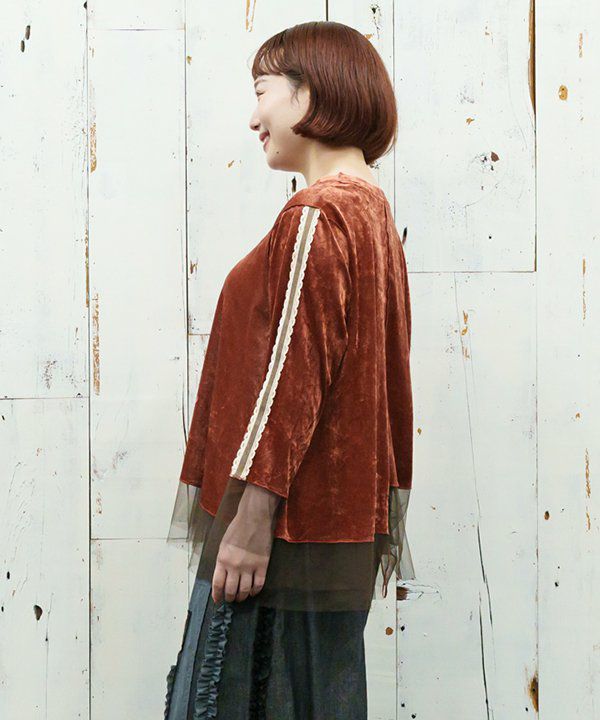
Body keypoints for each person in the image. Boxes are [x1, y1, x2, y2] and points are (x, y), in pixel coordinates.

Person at [164, 19, 415, 720]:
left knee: (230, 699)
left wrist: (249, 522)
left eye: (262, 91)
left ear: (312, 93)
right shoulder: (371, 213)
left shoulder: (316, 216)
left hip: (281, 532)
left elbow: (291, 381)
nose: (254, 118)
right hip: (328, 524)